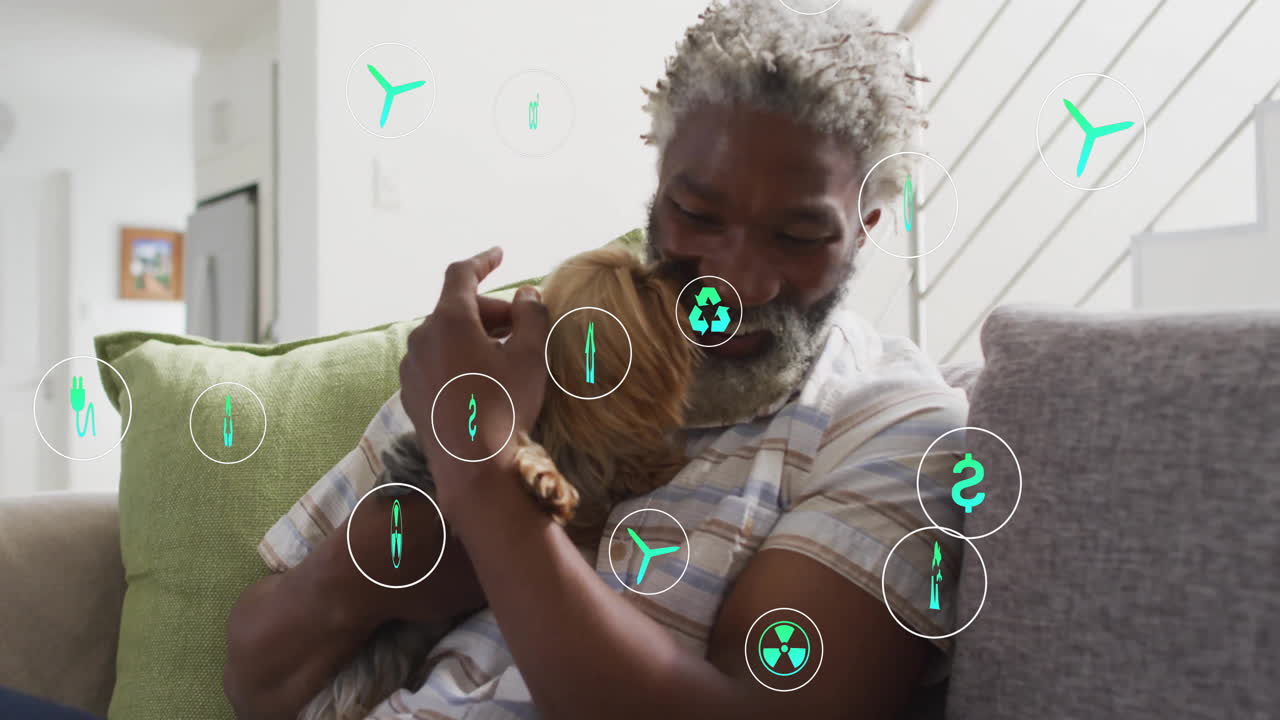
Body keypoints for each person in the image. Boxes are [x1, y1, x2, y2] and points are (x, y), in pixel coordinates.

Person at [224, 2, 967, 719]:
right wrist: (389, 559)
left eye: (800, 236)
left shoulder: (889, 423)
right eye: (699, 216)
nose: (736, 282)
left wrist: (483, 473)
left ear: (866, 227)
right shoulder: (522, 343)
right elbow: (256, 680)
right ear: (658, 180)